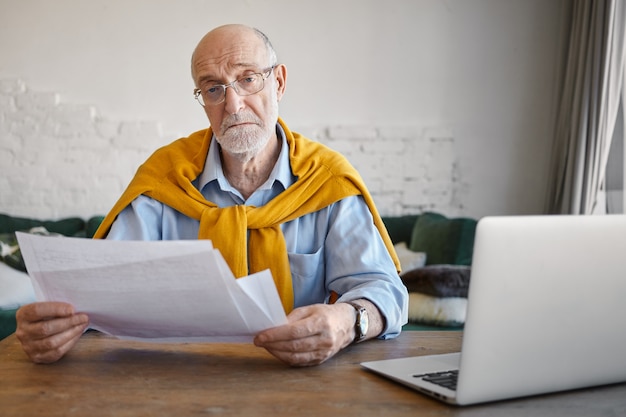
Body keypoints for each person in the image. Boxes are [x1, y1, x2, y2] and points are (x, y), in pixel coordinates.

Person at [15, 24, 408, 367]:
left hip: (299, 378)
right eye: (213, 88)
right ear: (202, 98)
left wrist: (348, 322)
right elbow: (99, 294)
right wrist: (52, 327)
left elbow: (383, 291)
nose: (233, 104)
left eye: (248, 79)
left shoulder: (327, 182)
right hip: (177, 377)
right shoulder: (163, 181)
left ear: (280, 82)